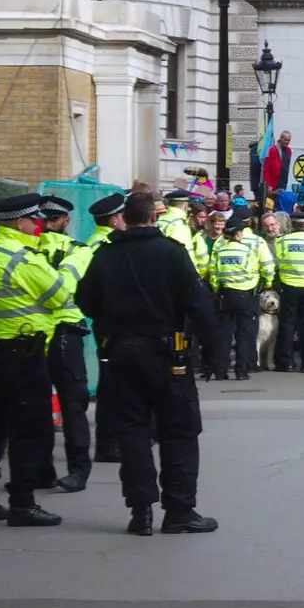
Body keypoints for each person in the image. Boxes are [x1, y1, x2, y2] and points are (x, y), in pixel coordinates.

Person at [76, 192, 219, 535]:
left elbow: (84, 299)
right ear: (154, 218)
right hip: (168, 351)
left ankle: (140, 511)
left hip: (122, 351)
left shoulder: (106, 255)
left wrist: (114, 322)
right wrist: (212, 351)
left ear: (124, 218)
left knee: (132, 430)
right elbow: (198, 303)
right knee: (179, 430)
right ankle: (179, 510)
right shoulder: (172, 252)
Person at [0, 193, 69, 527]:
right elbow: (59, 294)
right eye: (34, 221)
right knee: (29, 430)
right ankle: (23, 504)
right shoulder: (23, 258)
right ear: (19, 222)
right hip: (24, 355)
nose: (38, 226)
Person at [45, 199, 116, 491]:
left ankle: (40, 470)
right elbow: (78, 290)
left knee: (34, 406)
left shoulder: (26, 250)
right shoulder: (79, 250)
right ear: (64, 220)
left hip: (30, 334)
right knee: (74, 405)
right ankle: (77, 470)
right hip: (65, 332)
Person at [208, 207, 264, 381]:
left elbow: (213, 273)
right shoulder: (248, 251)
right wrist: (263, 283)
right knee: (243, 334)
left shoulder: (219, 251)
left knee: (223, 335)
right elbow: (256, 270)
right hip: (245, 295)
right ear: (239, 234)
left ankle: (220, 371)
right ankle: (241, 371)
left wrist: (217, 289)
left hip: (225, 295)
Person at [272, 212, 304, 371]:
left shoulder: (282, 241)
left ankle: (286, 362)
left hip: (289, 287)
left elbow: (278, 261)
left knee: (288, 324)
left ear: (293, 225)